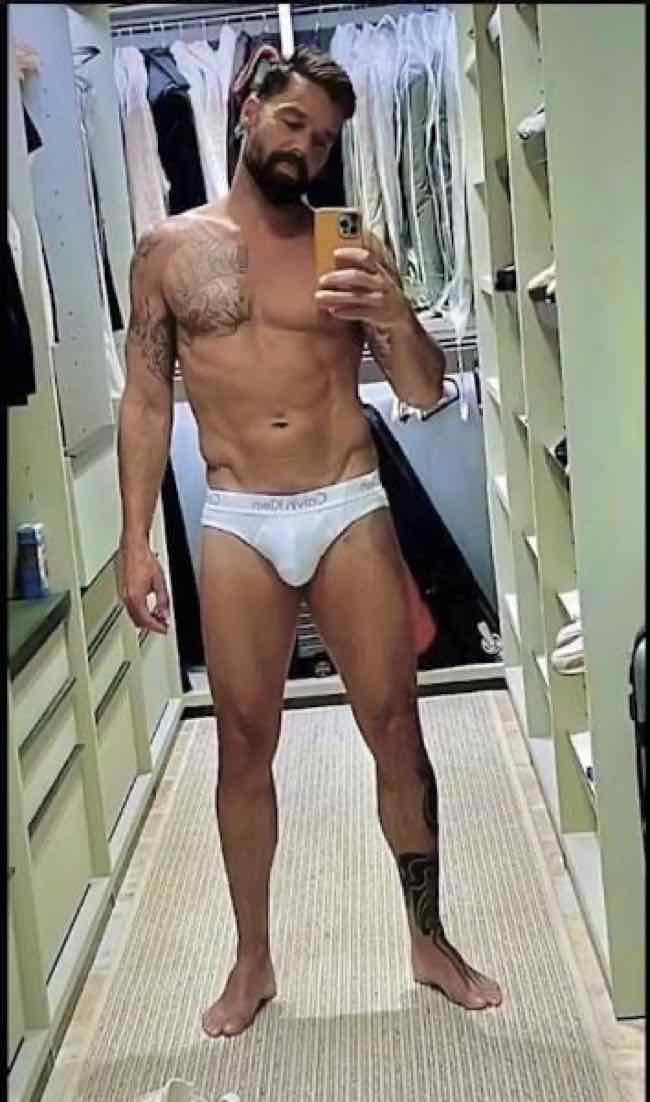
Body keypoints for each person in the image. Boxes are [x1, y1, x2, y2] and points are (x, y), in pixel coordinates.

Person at [117, 46, 502, 1040]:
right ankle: (251, 960)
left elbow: (421, 389)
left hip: (346, 504)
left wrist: (392, 311)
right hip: (239, 516)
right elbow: (147, 398)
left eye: (324, 140)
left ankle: (429, 939)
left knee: (398, 733)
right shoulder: (167, 251)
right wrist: (134, 540)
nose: (306, 149)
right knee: (243, 746)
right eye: (293, 123)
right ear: (247, 108)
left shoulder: (350, 247)